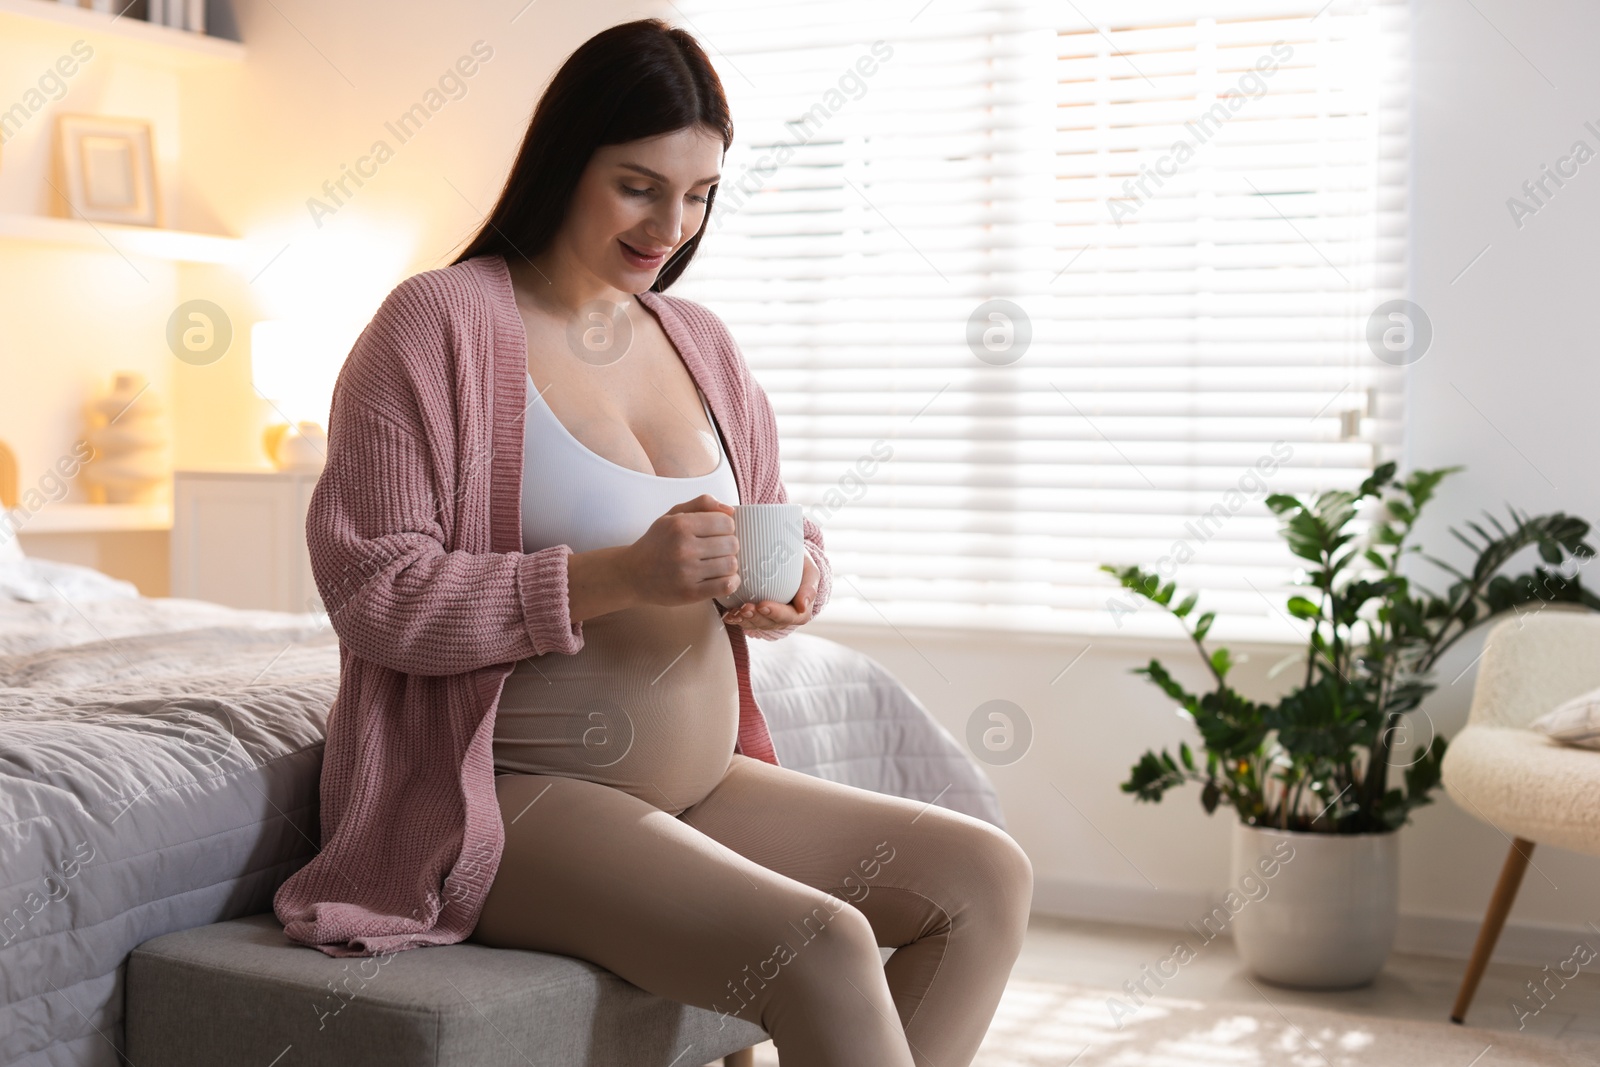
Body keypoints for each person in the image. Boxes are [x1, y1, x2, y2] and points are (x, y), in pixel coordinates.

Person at [278, 19, 1031, 1067]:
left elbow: (778, 515)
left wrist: (792, 581)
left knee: (984, 878)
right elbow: (378, 591)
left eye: (699, 193)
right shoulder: (433, 323)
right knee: (823, 946)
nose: (670, 224)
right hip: (503, 798)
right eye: (638, 185)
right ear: (562, 159)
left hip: (699, 781)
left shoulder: (699, 341)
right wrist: (622, 574)